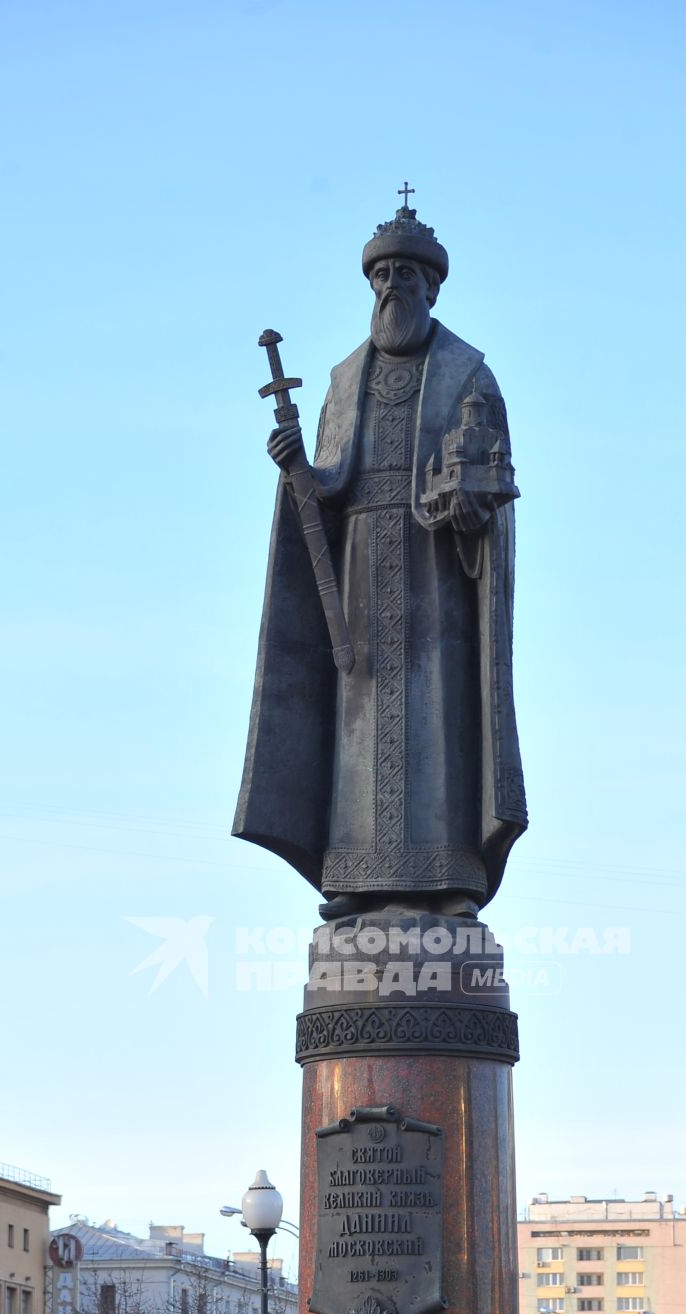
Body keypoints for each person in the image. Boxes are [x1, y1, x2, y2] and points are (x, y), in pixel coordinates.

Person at [234, 202, 526, 921]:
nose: (391, 287)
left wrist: (465, 505)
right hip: (362, 565)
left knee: (443, 718)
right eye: (382, 275)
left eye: (405, 275)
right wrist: (297, 468)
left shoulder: (468, 375)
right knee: (358, 723)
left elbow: (491, 474)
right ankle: (355, 875)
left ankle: (452, 877)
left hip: (439, 571)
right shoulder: (343, 377)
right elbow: (332, 478)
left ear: (433, 288)